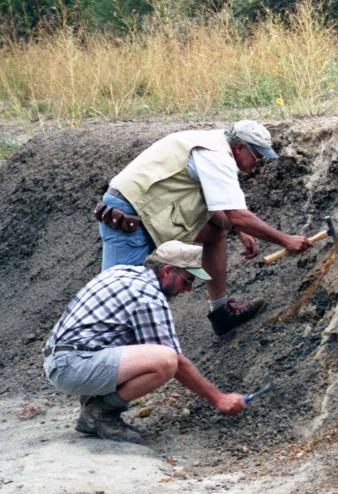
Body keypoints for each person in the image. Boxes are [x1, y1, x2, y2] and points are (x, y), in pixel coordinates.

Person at [94, 119, 313, 336]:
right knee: (116, 297)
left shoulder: (214, 143)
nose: (259, 163)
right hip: (129, 215)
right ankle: (96, 349)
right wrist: (286, 240)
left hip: (155, 211)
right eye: (257, 156)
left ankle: (221, 313)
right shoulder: (217, 157)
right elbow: (238, 215)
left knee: (216, 232)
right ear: (239, 148)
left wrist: (238, 228)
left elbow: (225, 211)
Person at [43, 241, 249, 444]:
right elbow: (175, 360)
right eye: (187, 281)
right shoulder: (147, 296)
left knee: (142, 345)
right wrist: (218, 399)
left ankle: (93, 403)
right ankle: (99, 413)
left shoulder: (123, 272)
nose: (187, 289)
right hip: (72, 365)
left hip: (63, 359)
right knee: (165, 361)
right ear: (168, 271)